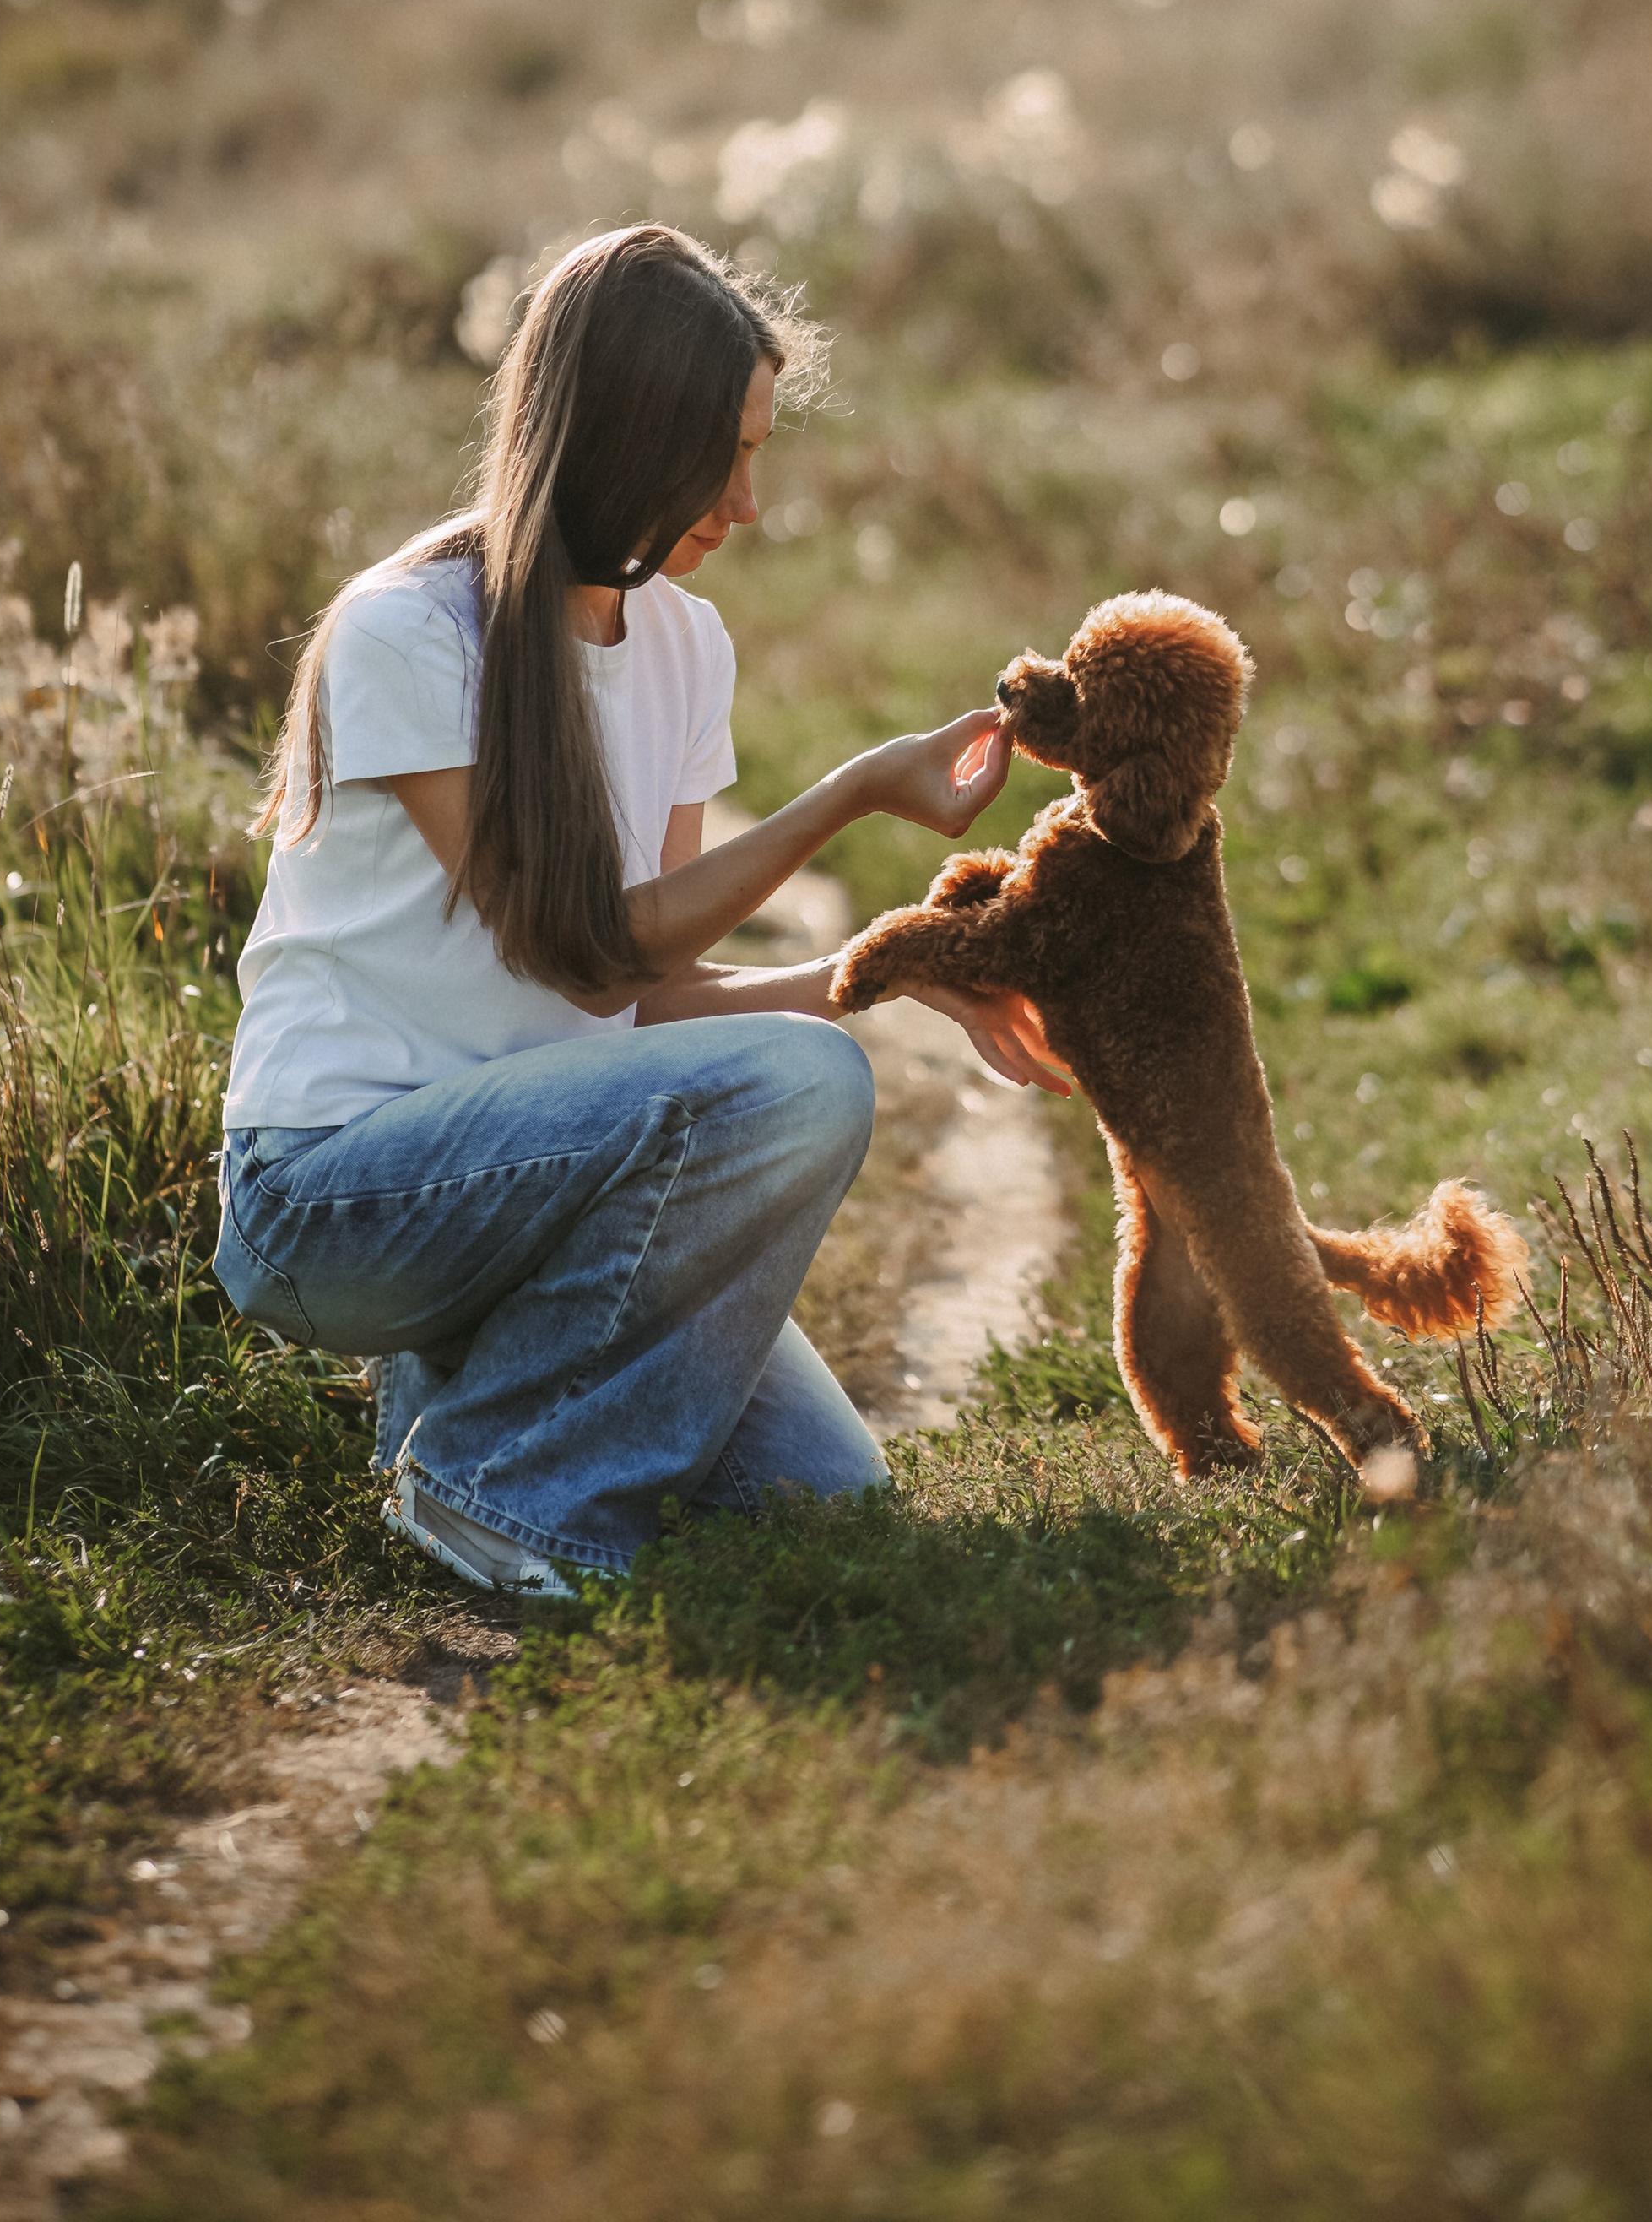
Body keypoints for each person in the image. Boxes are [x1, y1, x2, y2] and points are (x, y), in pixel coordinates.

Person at [214, 221, 1065, 1598]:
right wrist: (845, 796)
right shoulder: (408, 633)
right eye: (719, 457)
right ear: (621, 436)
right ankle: (496, 1488)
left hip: (538, 1175)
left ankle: (469, 1404)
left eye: (756, 452)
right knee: (810, 1082)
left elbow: (653, 1004)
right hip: (333, 1200)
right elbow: (591, 945)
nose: (746, 500)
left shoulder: (682, 641)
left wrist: (901, 965)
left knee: (826, 1506)